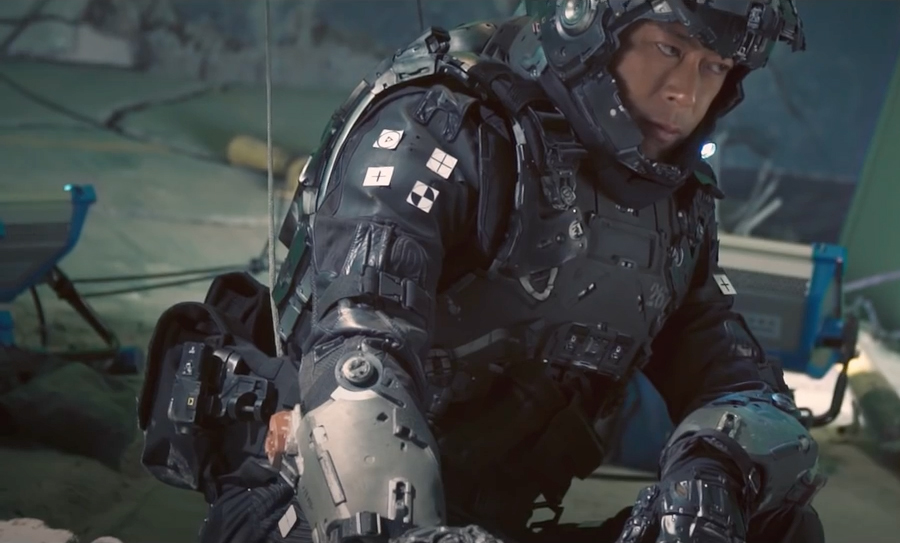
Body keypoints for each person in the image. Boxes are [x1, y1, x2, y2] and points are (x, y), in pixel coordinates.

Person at [187, 1, 823, 542]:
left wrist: (715, 467)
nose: (686, 92)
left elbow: (730, 370)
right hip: (321, 506)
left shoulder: (674, 200)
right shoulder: (445, 125)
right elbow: (358, 357)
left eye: (715, 65)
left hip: (489, 520)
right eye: (668, 48)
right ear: (587, 23)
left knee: (779, 528)